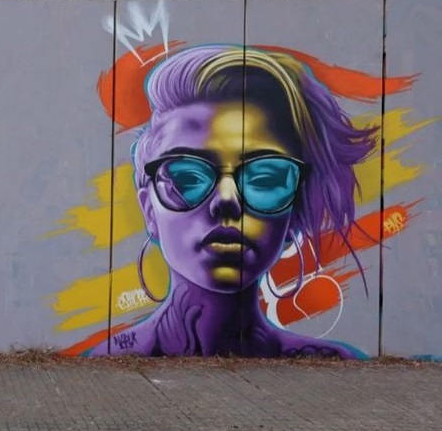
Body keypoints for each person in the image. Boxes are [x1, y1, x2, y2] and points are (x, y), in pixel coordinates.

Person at [107, 45, 375, 358]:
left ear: (294, 214)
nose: (227, 200)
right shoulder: (107, 363)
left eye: (263, 178)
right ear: (149, 210)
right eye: (188, 177)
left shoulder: (328, 365)